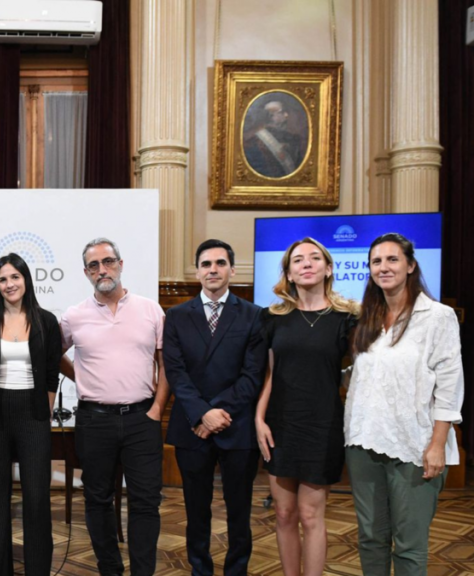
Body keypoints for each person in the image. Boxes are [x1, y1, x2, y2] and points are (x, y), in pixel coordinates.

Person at [344, 232, 463, 576]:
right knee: (370, 538)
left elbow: (450, 385)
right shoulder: (366, 318)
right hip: (362, 442)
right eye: (376, 261)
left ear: (410, 265)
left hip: (415, 445)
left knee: (410, 546)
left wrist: (438, 444)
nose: (384, 267)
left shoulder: (438, 316)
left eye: (392, 259)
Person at [60, 237, 169, 576]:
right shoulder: (73, 316)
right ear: (86, 272)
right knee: (97, 500)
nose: (101, 270)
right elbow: (52, 355)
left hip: (142, 417)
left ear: (121, 265)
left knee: (146, 502)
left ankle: (142, 572)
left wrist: (157, 410)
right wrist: (83, 377)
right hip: (94, 420)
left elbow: (167, 364)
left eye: (108, 262)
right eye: (94, 265)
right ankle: (110, 569)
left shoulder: (151, 310)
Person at [254, 237, 358, 576]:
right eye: (298, 260)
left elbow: (359, 373)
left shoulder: (347, 318)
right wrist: (258, 419)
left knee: (312, 515)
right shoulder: (272, 318)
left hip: (323, 424)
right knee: (284, 514)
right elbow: (269, 374)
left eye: (315, 258)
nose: (307, 264)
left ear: (329, 268)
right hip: (280, 424)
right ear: (289, 272)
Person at [163, 239, 266, 576]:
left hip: (236, 428)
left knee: (239, 511)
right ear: (197, 271)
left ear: (232, 270)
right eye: (206, 264)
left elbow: (253, 376)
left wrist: (216, 413)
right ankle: (199, 570)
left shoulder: (254, 315)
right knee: (195, 510)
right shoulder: (176, 316)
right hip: (192, 427)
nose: (213, 270)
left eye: (220, 263)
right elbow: (175, 372)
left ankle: (236, 571)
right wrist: (201, 413)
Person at [0, 253, 62, 576]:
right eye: (3, 279)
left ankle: (38, 570)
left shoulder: (46, 321)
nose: (9, 284)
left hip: (33, 415)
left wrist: (44, 411)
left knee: (37, 498)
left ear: (26, 280)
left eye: (15, 277)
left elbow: (52, 374)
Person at [243, 98, 306, 178]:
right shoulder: (256, 139)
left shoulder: (292, 137)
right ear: (271, 116)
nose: (286, 115)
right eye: (281, 112)